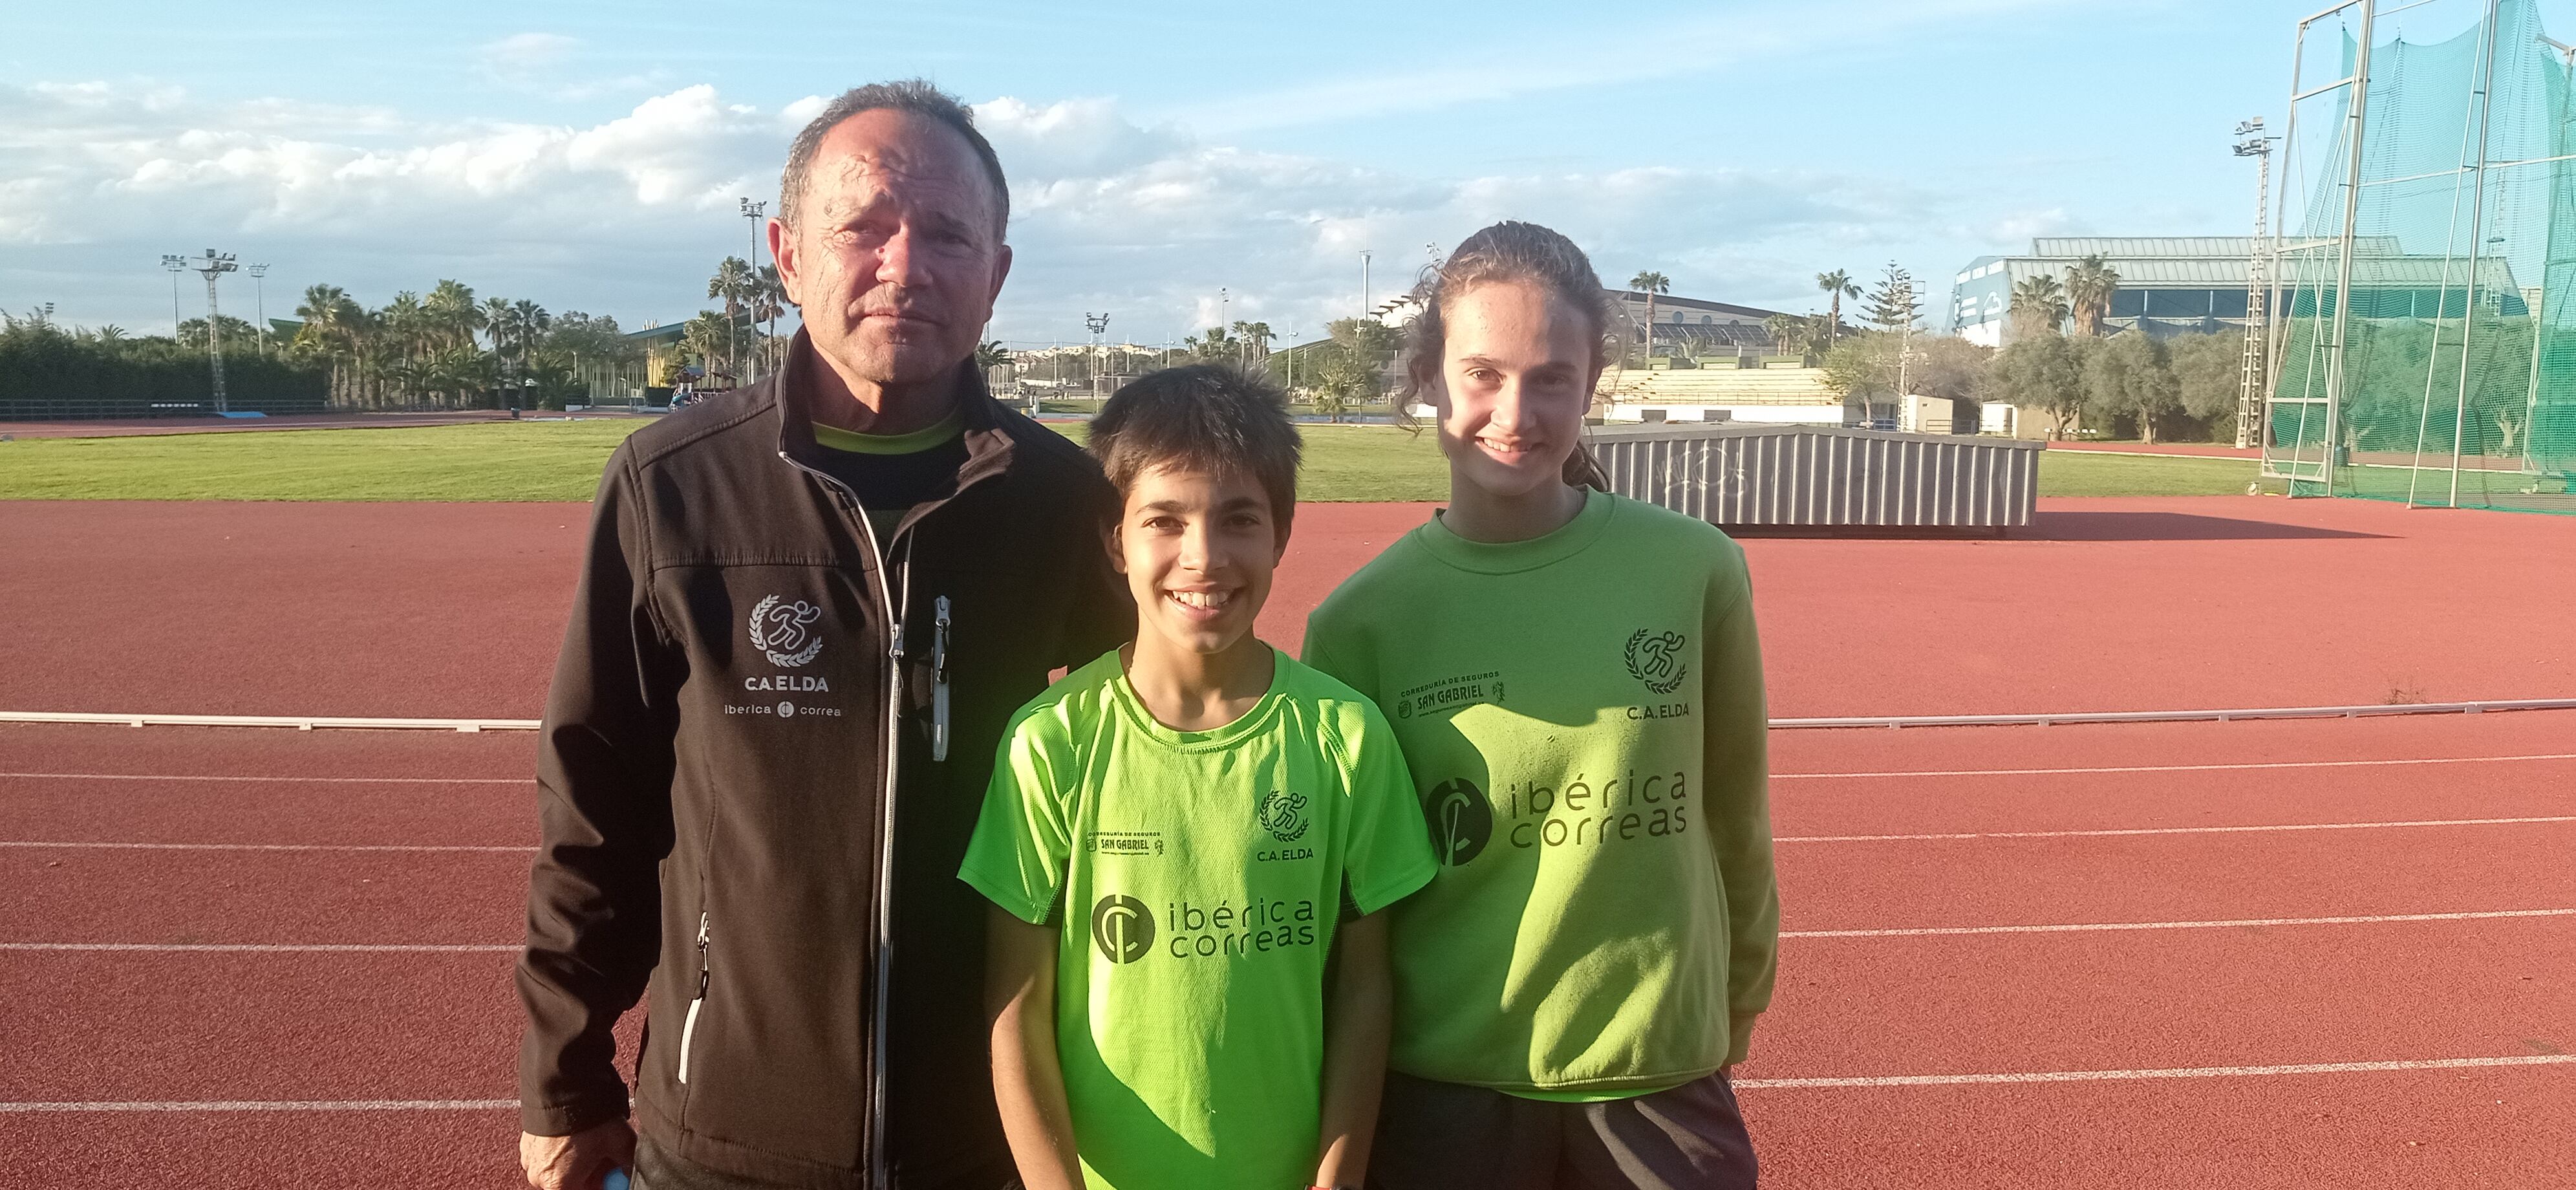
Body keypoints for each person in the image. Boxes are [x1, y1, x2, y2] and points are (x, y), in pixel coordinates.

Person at [515, 80, 1128, 1190]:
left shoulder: (1063, 505)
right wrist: (565, 1079)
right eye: (866, 226)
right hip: (726, 1134)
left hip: (993, 1136)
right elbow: (593, 797)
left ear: (994, 275)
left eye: (949, 235)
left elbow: (1152, 791)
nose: (906, 264)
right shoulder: (675, 487)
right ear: (786, 252)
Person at [1300, 222, 1778, 1190]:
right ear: (1430, 378)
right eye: (1482, 374)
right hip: (1444, 1097)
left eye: (1552, 377)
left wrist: (1733, 1001)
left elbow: (1736, 810)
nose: (1515, 411)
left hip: (1658, 1078)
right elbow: (1351, 908)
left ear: (1592, 383)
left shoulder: (1693, 570)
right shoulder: (1359, 626)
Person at [964, 365, 1436, 1190]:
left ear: (1282, 534)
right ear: (1116, 541)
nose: (1204, 557)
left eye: (1239, 519)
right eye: (1165, 521)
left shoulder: (1347, 738)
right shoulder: (1051, 744)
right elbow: (1017, 1009)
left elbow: (1365, 989)